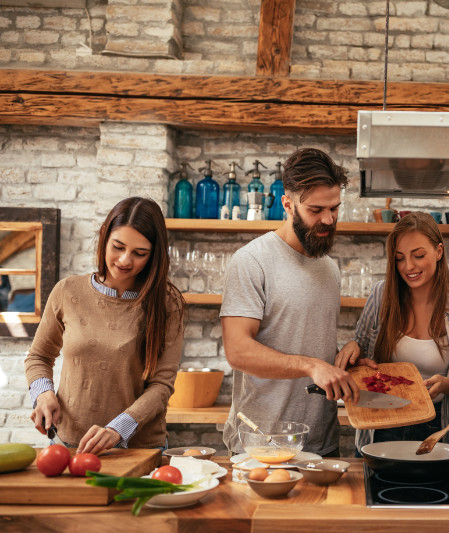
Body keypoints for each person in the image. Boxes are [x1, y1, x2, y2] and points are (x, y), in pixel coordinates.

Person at [221, 147, 360, 457]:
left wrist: (343, 360)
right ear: (287, 204)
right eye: (316, 210)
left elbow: (303, 340)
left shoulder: (329, 268)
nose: (328, 219)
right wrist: (311, 366)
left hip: (322, 444)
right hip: (262, 445)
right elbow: (238, 351)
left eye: (334, 208)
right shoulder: (252, 261)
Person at [25, 197, 185, 454]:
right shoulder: (67, 291)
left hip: (138, 448)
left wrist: (117, 430)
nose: (125, 260)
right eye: (118, 247)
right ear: (104, 237)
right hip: (68, 442)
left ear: (154, 254)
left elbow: (162, 385)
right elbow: (39, 357)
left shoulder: (168, 302)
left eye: (139, 253)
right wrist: (43, 394)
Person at [336, 212, 449, 451]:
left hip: (436, 422)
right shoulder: (381, 294)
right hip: (381, 418)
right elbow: (360, 346)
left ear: (439, 251)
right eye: (399, 258)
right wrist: (352, 347)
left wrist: (445, 385)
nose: (408, 267)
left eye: (419, 255)